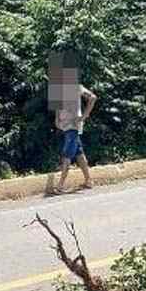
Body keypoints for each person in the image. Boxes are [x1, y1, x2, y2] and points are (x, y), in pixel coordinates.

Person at [50, 56, 97, 194]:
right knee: (79, 154)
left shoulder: (76, 87)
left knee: (67, 154)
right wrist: (57, 119)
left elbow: (93, 97)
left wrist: (84, 116)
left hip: (73, 127)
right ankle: (89, 180)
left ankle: (60, 185)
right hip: (66, 126)